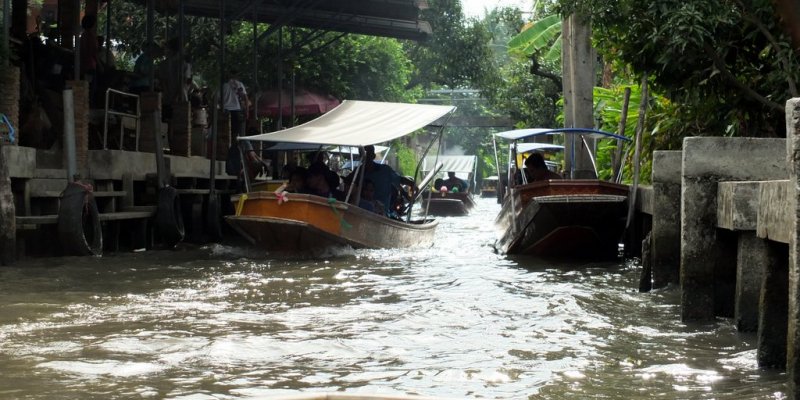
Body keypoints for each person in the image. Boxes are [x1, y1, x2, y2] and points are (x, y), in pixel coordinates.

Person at [347, 145, 415, 216]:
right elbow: (346, 184)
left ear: (373, 156)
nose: (366, 158)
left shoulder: (385, 170)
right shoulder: (357, 173)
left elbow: (400, 179)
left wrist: (411, 184)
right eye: (363, 156)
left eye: (368, 155)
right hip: (362, 213)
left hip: (383, 214)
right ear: (360, 157)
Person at [221, 73, 248, 140]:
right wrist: (247, 111)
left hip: (226, 111)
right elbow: (245, 98)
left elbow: (217, 98)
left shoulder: (224, 86)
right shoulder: (240, 84)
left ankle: (230, 146)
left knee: (225, 132)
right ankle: (236, 146)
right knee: (237, 132)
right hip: (237, 110)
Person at [79, 14, 99, 104]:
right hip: (90, 65)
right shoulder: (90, 36)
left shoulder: (83, 35)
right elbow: (93, 51)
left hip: (84, 65)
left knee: (87, 85)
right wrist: (100, 64)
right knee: (90, 87)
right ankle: (88, 104)